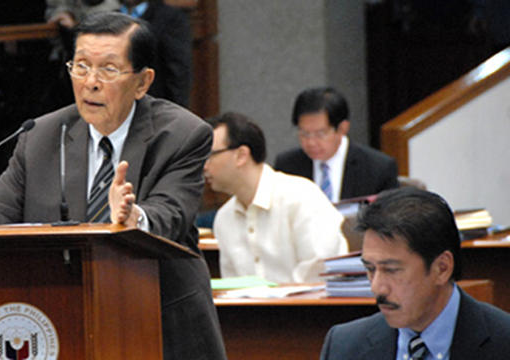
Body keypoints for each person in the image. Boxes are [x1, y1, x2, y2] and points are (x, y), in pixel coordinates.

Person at [0, 12, 226, 360]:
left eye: (108, 69)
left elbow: (171, 215)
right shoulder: (40, 136)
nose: (90, 82)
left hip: (161, 322)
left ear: (142, 82)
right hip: (64, 319)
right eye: (80, 66)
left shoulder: (183, 134)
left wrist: (134, 216)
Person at [320, 187, 510, 360]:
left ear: (442, 268)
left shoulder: (503, 343)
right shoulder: (344, 346)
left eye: (392, 270)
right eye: (370, 269)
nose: (377, 287)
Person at [204, 112, 348, 283]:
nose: (203, 166)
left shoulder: (300, 196)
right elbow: (233, 289)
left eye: (209, 155)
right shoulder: (224, 217)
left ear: (241, 155)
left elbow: (321, 272)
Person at [274, 87, 399, 203]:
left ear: (342, 129)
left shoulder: (378, 168)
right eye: (304, 134)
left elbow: (391, 220)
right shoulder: (287, 166)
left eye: (320, 134)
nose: (311, 142)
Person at [119, 0, 193, 107]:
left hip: (153, 104)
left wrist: (177, 108)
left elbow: (178, 69)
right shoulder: (109, 18)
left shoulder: (170, 18)